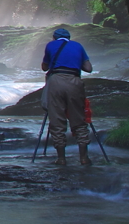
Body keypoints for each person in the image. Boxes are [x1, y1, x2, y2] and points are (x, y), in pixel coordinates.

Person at [41, 27, 93, 165]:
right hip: (74, 82)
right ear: (69, 38)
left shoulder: (50, 45)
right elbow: (88, 68)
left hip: (56, 81)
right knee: (79, 119)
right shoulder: (78, 46)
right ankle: (83, 158)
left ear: (54, 37)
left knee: (57, 120)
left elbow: (44, 67)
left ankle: (61, 159)